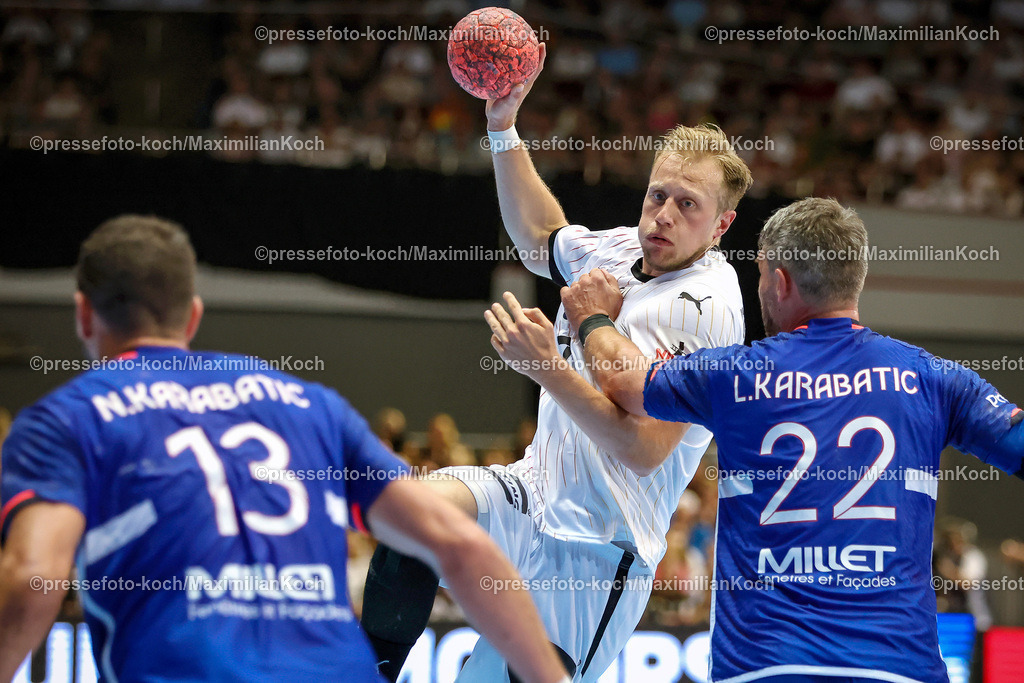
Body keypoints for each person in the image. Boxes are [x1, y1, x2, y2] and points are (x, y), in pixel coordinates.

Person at [0, 216, 570, 683]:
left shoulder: (65, 419)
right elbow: (459, 545)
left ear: (81, 314)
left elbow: (31, 578)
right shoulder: (309, 404)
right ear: (193, 316)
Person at [487, 196, 1023, 682]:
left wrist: (593, 319)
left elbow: (626, 383)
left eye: (764, 275)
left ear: (781, 281)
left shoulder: (739, 374)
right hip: (901, 667)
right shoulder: (931, 379)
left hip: (764, 665)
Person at [361, 42, 754, 681]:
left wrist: (548, 367)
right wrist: (502, 127)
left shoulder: (707, 309)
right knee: (414, 513)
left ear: (721, 226)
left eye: (688, 205)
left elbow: (643, 448)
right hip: (530, 495)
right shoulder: (625, 248)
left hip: (599, 550)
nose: (663, 215)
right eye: (659, 194)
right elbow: (540, 237)